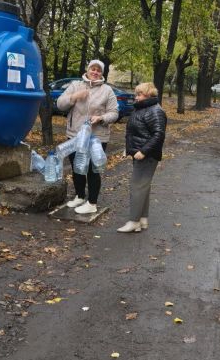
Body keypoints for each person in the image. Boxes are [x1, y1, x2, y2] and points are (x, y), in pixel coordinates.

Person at [56, 59, 119, 214]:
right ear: (87, 69)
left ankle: (92, 202)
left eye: (98, 70)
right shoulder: (75, 85)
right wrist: (74, 97)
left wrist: (101, 118)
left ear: (101, 73)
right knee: (77, 167)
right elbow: (60, 104)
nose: (95, 72)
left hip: (96, 137)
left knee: (93, 170)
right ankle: (79, 196)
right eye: (93, 69)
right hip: (75, 135)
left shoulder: (107, 90)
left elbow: (114, 113)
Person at [117, 81, 167, 233]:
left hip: (147, 156)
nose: (136, 97)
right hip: (139, 154)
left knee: (137, 187)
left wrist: (144, 151)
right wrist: (129, 150)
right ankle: (142, 220)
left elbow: (159, 135)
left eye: (139, 94)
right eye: (136, 93)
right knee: (143, 187)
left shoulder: (155, 111)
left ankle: (134, 221)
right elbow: (134, 133)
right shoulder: (143, 109)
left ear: (149, 95)